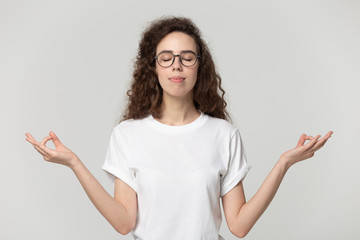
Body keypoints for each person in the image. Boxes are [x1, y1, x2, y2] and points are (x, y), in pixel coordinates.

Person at [25, 16, 333, 240]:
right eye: (166, 58)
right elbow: (124, 222)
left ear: (200, 66)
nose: (176, 65)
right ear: (154, 67)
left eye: (187, 58)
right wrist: (75, 164)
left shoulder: (223, 135)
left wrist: (284, 164)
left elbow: (238, 226)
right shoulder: (128, 135)